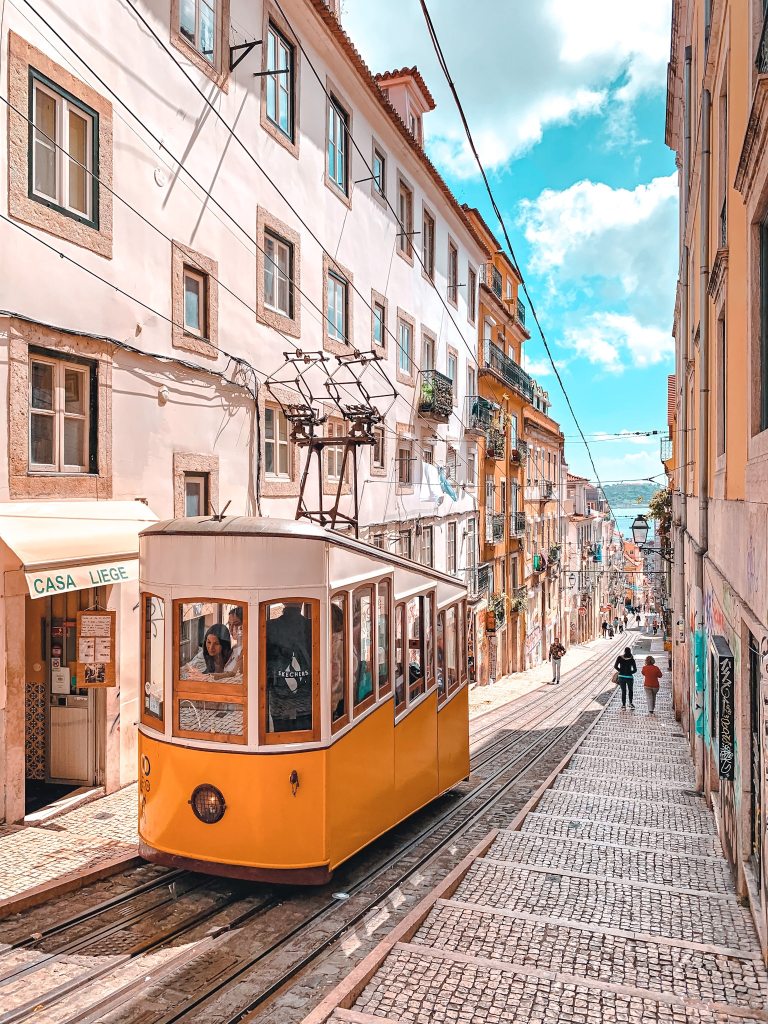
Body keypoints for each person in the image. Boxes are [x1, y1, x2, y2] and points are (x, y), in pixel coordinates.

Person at [265, 603, 313, 732]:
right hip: (307, 703)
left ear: (284, 603)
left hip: (280, 704)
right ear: (301, 603)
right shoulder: (312, 626)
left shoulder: (269, 627)